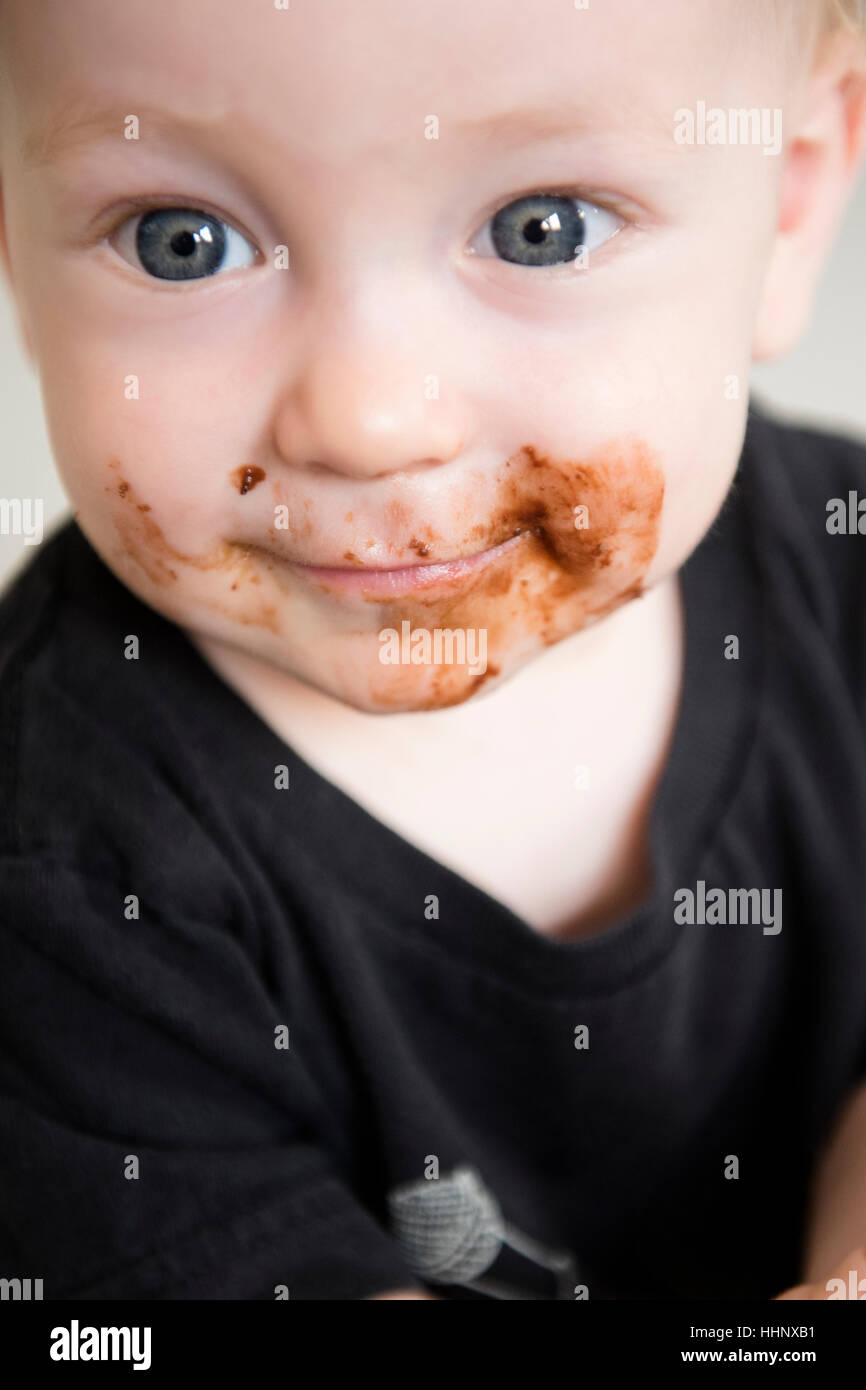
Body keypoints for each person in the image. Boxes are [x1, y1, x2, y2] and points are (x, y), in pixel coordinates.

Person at [1, 0, 865, 1300]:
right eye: (182, 242)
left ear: (791, 192)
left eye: (543, 228)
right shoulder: (65, 876)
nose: (365, 418)